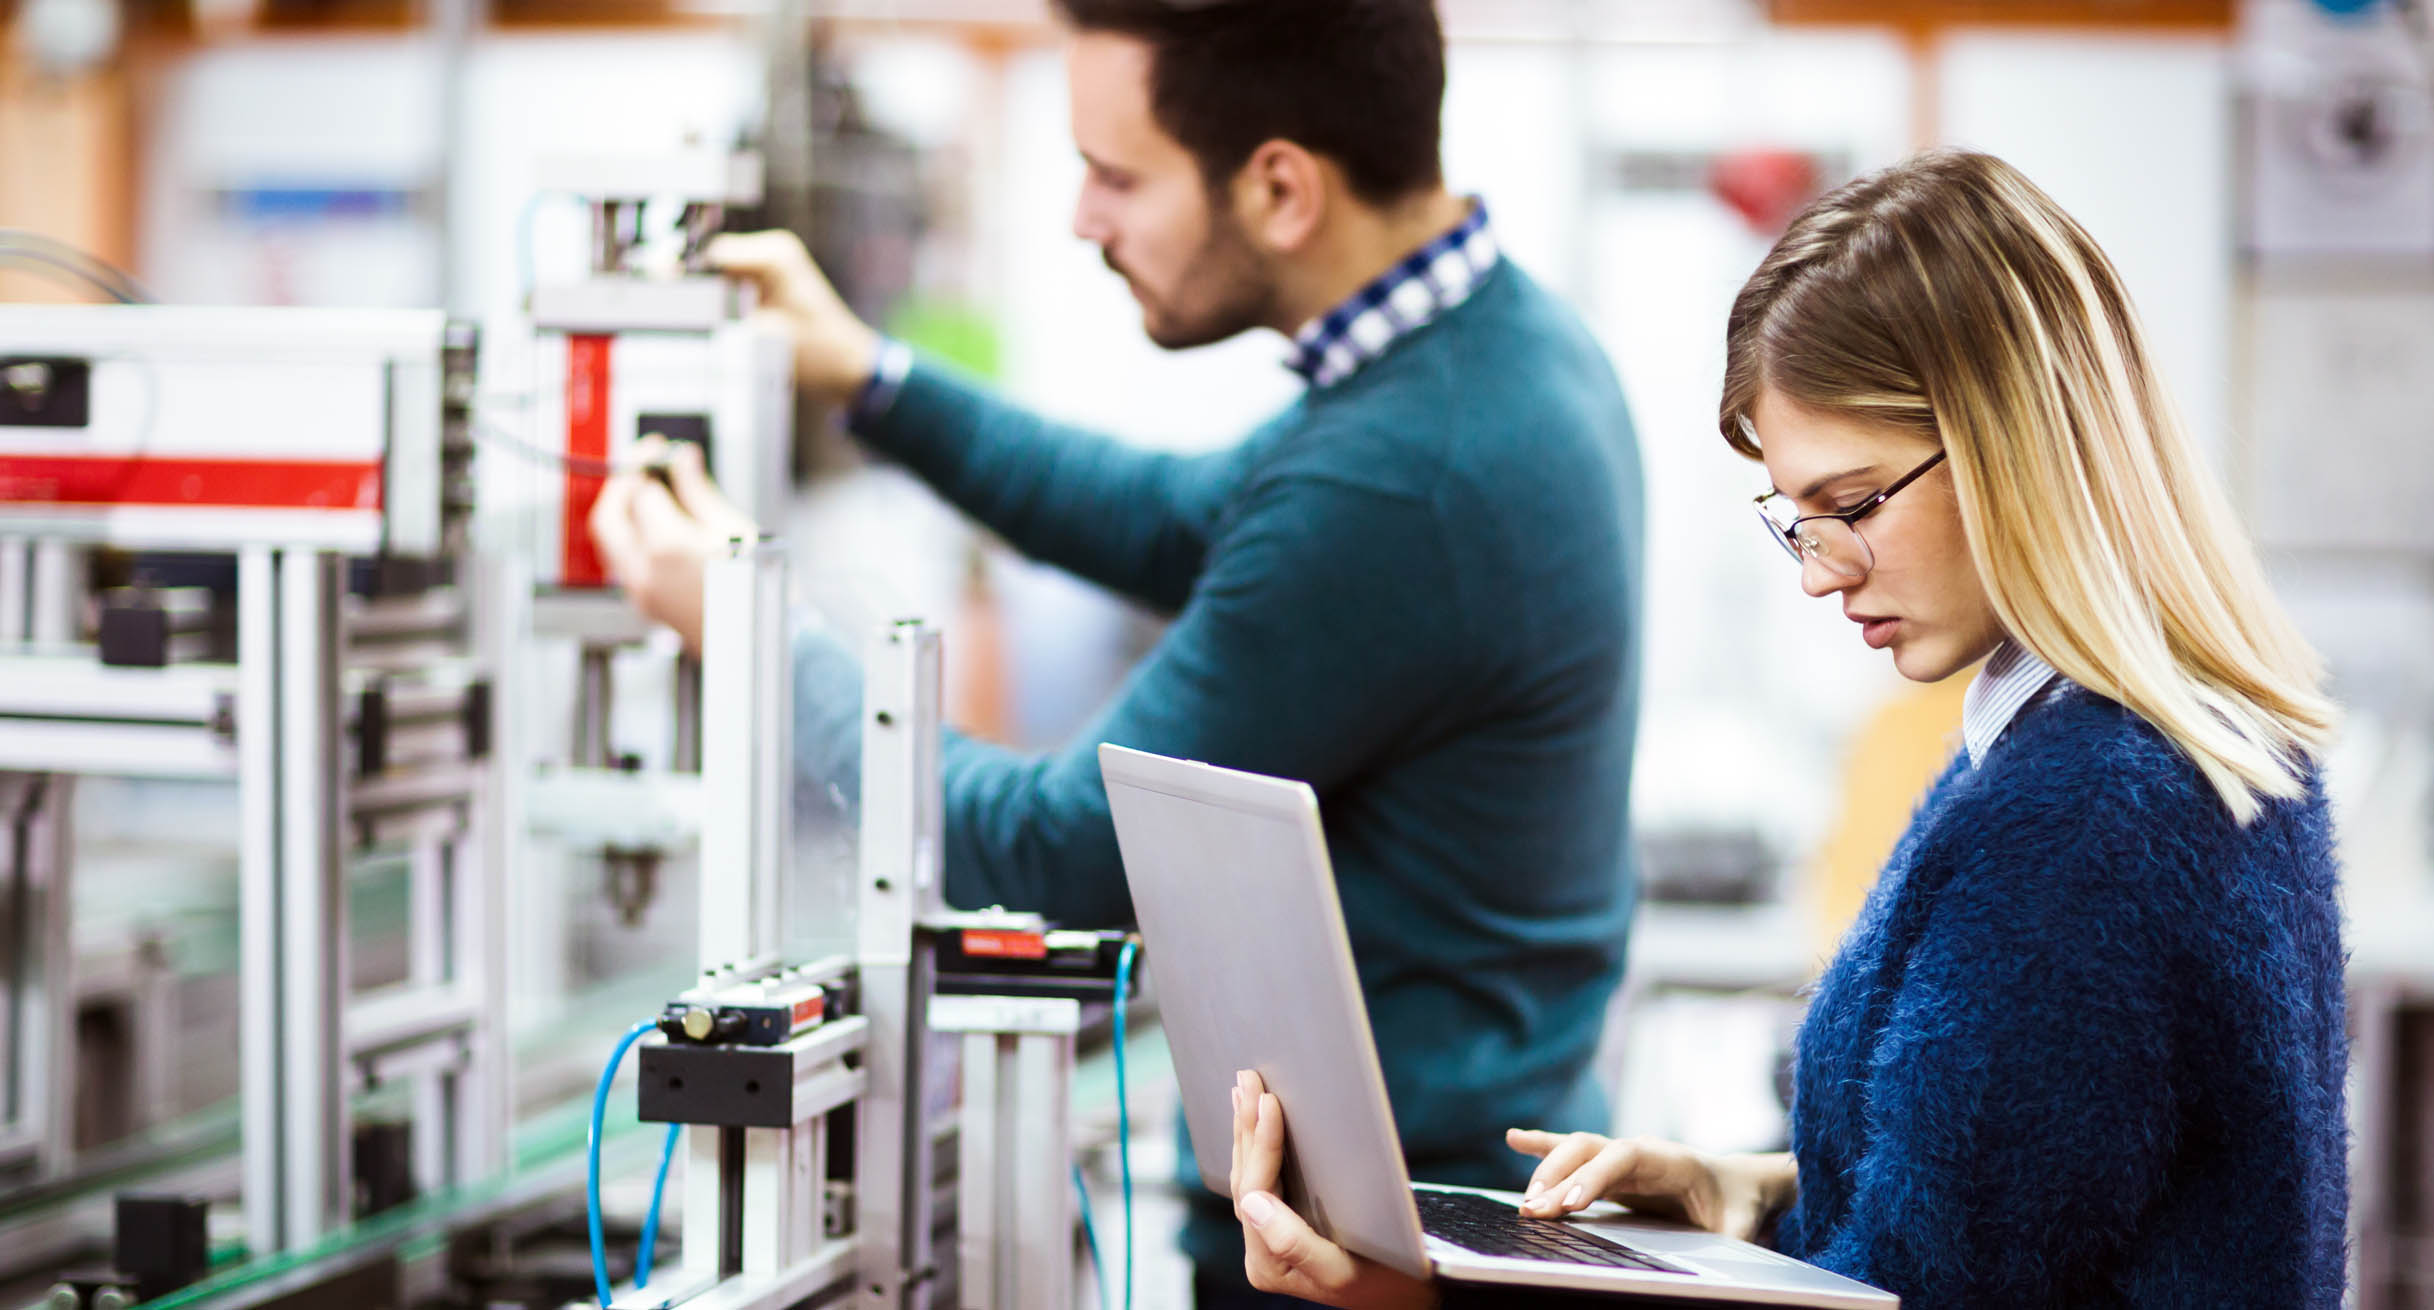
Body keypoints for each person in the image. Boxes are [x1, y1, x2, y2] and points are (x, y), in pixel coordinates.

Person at [586, 2, 1646, 1302]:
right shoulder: (1494, 353)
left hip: (1367, 1261)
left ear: (1279, 188)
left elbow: (1054, 852)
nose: (1083, 218)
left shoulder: (1408, 473)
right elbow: (1173, 517)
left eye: (1116, 176)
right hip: (1425, 1219)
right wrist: (872, 378)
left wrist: (753, 632)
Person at [1222, 147, 2349, 1309]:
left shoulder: (2083, 817)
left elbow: (1925, 1289)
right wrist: (1747, 1189)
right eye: (1795, 518)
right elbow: (2035, 1200)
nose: (1821, 571)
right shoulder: (2190, 743)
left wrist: (1412, 1297)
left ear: (2014, 441)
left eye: (1851, 503)